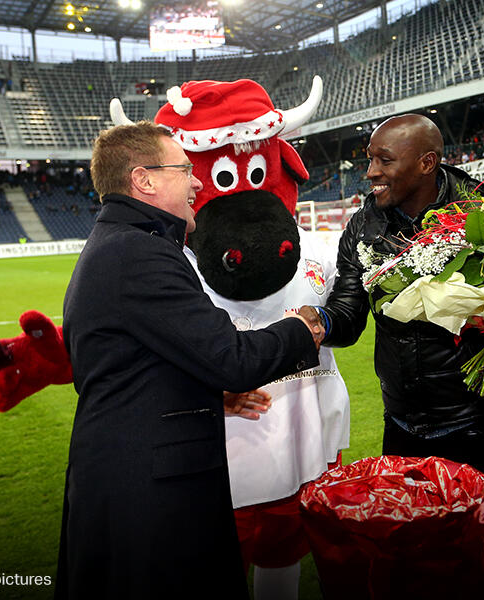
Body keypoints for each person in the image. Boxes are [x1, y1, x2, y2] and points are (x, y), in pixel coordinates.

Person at [57, 121, 324, 599]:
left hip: (132, 478)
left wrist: (206, 394)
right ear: (145, 180)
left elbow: (138, 365)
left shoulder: (124, 243)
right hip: (149, 493)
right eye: (185, 169)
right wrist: (306, 328)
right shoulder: (140, 253)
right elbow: (233, 358)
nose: (198, 181)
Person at [302, 114, 484, 502]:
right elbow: (348, 313)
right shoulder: (363, 226)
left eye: (384, 160)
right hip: (399, 420)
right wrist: (320, 322)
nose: (370, 172)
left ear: (426, 163)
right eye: (369, 159)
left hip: (471, 423)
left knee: (470, 549)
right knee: (406, 550)